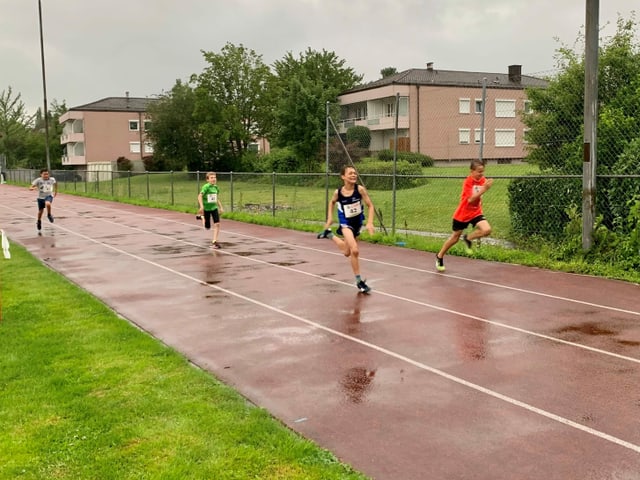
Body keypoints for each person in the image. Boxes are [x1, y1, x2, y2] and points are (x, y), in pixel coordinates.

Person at [319, 165, 375, 293]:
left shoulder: (359, 190)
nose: (354, 175)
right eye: (350, 173)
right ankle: (359, 281)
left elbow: (370, 205)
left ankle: (330, 235)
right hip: (345, 223)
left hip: (357, 223)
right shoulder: (338, 193)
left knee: (346, 252)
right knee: (354, 250)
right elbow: (332, 202)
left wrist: (370, 222)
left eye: (355, 173)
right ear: (343, 177)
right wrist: (330, 218)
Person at [435, 159, 493, 272]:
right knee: (455, 238)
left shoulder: (482, 180)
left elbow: (479, 196)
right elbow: (471, 199)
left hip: (476, 212)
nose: (481, 174)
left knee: (487, 230)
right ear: (472, 171)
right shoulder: (468, 182)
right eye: (479, 171)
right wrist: (484, 189)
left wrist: (484, 190)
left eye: (483, 171)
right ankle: (439, 256)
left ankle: (468, 239)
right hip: (463, 213)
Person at [197, 171, 224, 248]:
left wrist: (221, 207)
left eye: (215, 177)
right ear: (207, 180)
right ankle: (202, 217)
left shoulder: (216, 188)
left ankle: (214, 241)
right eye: (211, 178)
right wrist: (202, 206)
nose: (214, 179)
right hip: (206, 209)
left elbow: (216, 198)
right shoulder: (206, 187)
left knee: (217, 224)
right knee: (207, 227)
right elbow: (199, 196)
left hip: (214, 208)